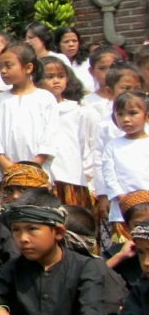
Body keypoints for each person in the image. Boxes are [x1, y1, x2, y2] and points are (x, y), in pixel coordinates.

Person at [0, 42, 58, 183]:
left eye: (8, 65)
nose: (3, 71)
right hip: (5, 173)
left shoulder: (45, 98)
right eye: (0, 66)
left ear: (28, 67)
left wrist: (34, 164)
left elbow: (50, 135)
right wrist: (4, 162)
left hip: (37, 171)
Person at [40, 56, 96, 214]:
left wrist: (88, 175)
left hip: (72, 175)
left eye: (61, 76)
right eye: (49, 77)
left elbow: (88, 145)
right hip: (45, 175)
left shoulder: (78, 111)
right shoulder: (35, 110)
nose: (56, 81)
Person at [101, 90, 149, 236]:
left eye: (132, 113)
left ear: (146, 116)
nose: (126, 119)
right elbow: (109, 175)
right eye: (120, 114)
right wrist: (122, 197)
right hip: (122, 209)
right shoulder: (113, 145)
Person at [84, 46, 123, 118]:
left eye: (112, 67)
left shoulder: (129, 98)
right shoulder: (86, 102)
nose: (108, 72)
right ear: (92, 71)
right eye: (102, 68)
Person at [55, 26, 94, 93]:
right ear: (58, 44)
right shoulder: (54, 62)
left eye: (74, 41)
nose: (71, 44)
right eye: (66, 42)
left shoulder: (88, 61)